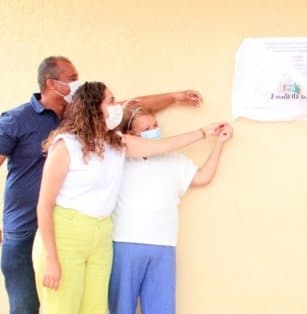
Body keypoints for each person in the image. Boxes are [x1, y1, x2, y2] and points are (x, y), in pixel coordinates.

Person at [0, 56, 202, 313]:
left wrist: (176, 97)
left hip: (81, 228)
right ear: (52, 84)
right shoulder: (19, 121)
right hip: (26, 226)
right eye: (72, 79)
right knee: (27, 306)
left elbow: (134, 106)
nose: (77, 83)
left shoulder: (90, 124)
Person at [31, 81, 225, 314]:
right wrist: (52, 258)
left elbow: (163, 144)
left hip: (100, 236)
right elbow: (44, 205)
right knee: (62, 308)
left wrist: (205, 132)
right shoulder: (66, 145)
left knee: (94, 309)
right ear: (94, 108)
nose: (116, 106)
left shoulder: (117, 144)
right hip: (66, 234)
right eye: (111, 101)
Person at [108, 105, 232, 314]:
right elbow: (120, 109)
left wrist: (219, 143)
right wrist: (177, 98)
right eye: (146, 128)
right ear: (131, 134)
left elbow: (202, 177)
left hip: (163, 247)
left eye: (155, 125)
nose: (154, 130)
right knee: (121, 309)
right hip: (125, 245)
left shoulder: (173, 159)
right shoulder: (120, 156)